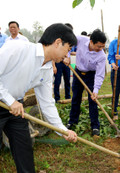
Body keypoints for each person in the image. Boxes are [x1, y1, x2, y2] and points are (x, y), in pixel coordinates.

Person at [0, 23, 78, 173]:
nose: (67, 55)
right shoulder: (18, 49)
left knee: (24, 146)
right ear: (57, 43)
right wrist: (10, 101)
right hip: (5, 102)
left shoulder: (48, 69)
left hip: (16, 108)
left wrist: (62, 129)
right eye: (68, 49)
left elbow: (47, 103)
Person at [67, 29, 107, 137]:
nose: (100, 49)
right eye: (99, 46)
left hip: (91, 76)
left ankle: (95, 126)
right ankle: (72, 121)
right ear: (91, 41)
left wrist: (96, 90)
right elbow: (67, 42)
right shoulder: (80, 40)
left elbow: (99, 74)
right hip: (78, 72)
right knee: (76, 98)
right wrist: (67, 56)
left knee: (92, 101)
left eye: (102, 47)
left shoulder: (102, 56)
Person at [52, 23, 74, 102]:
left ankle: (67, 97)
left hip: (66, 63)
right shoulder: (58, 40)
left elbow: (69, 52)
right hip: (58, 62)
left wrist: (68, 60)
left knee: (67, 80)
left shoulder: (70, 40)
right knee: (57, 81)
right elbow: (53, 53)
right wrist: (53, 66)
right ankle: (57, 98)